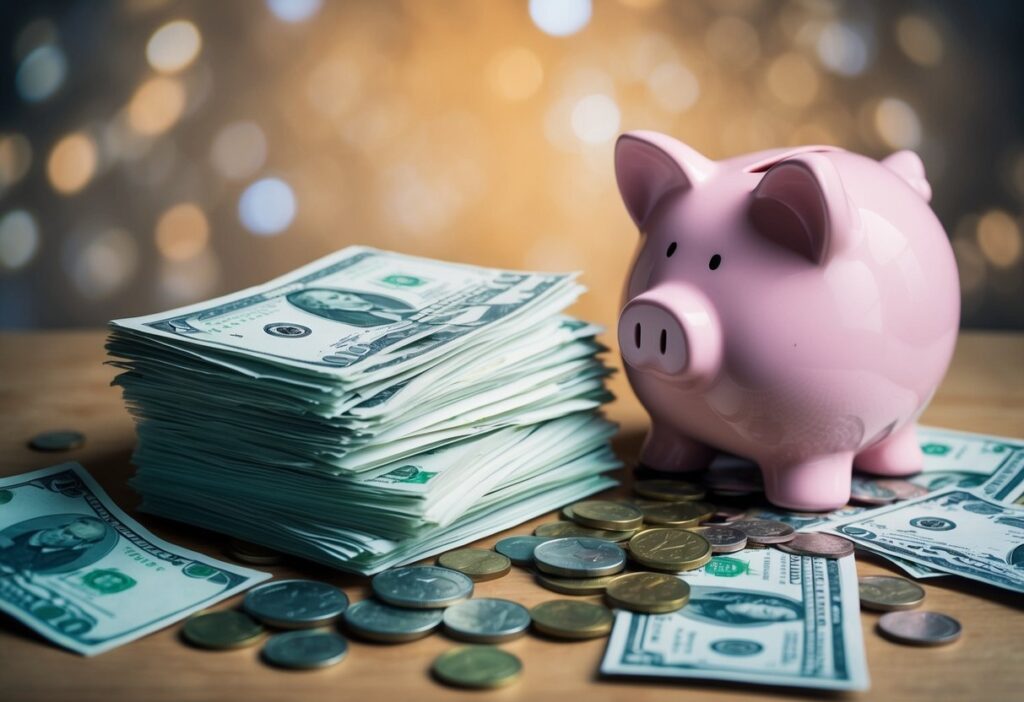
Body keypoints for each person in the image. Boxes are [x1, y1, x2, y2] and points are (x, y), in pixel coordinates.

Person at [0, 516, 109, 575]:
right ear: (64, 525)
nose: (61, 537)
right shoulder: (18, 530)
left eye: (75, 537)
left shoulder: (66, 557)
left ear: (83, 545)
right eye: (66, 530)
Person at [683, 588, 804, 626]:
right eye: (766, 609)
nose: (773, 613)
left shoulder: (712, 616)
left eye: (781, 618)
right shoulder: (715, 592)